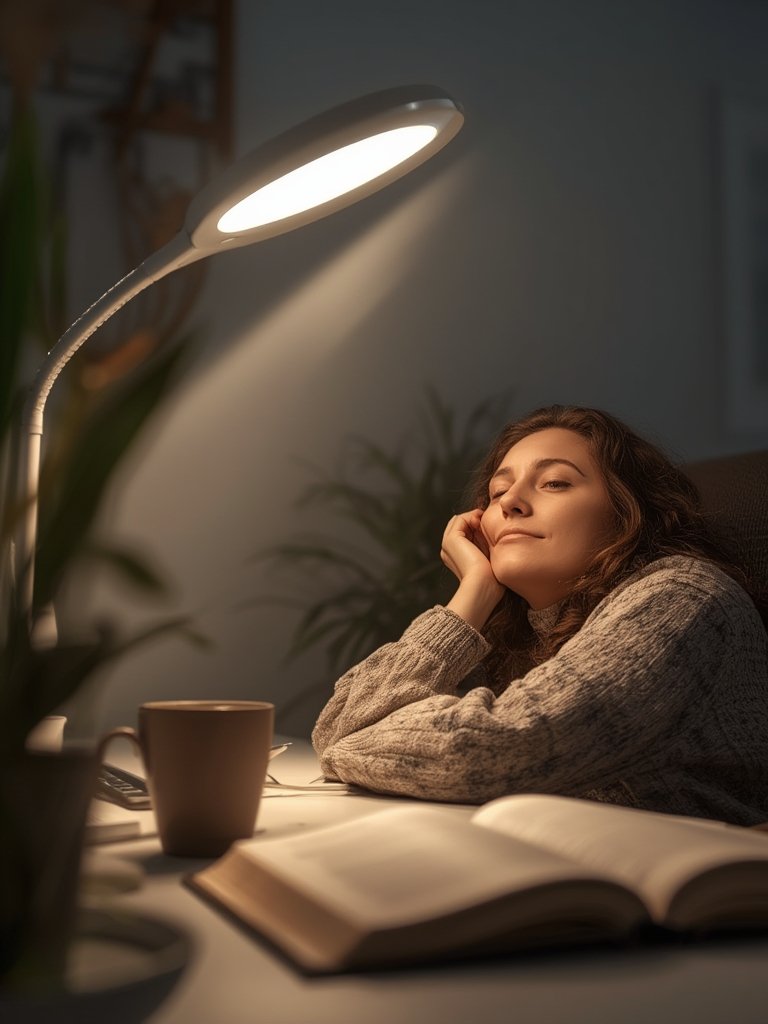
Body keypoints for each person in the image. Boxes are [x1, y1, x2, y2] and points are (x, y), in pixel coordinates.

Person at [312, 405, 768, 825]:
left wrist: (355, 740)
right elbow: (336, 725)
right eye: (497, 491)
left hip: (691, 900)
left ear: (628, 512)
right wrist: (472, 595)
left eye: (554, 482)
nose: (511, 502)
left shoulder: (682, 597)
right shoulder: (527, 636)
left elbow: (499, 749)